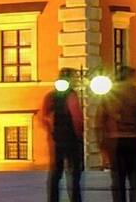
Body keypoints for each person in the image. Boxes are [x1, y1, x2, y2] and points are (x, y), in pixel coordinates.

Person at [100, 66, 136, 202]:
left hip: (115, 142)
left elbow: (100, 120)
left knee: (117, 182)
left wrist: (103, 141)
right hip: (135, 140)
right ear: (130, 78)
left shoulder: (107, 98)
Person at [42, 68, 85, 202]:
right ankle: (75, 200)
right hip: (71, 138)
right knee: (74, 174)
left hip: (56, 139)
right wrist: (79, 135)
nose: (76, 80)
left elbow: (44, 117)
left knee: (56, 173)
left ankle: (53, 199)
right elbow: (76, 117)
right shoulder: (71, 95)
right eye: (74, 78)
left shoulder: (50, 96)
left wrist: (51, 132)